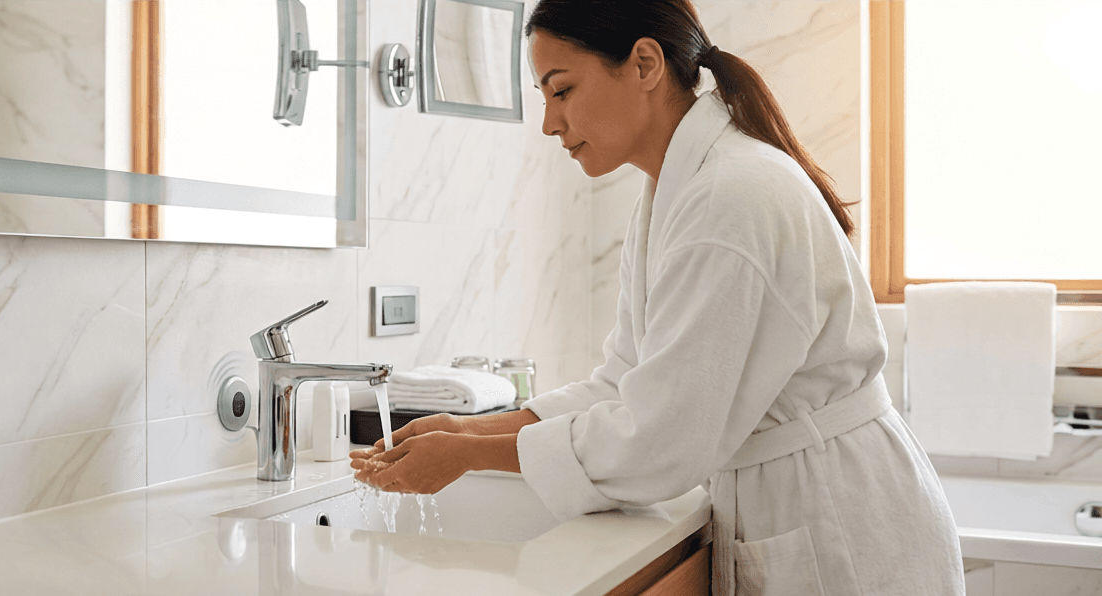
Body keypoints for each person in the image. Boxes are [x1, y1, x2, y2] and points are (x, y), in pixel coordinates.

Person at [350, 1, 965, 594]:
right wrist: (467, 429)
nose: (549, 123)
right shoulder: (676, 194)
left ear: (644, 64)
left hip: (840, 525)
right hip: (801, 502)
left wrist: (470, 455)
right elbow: (624, 383)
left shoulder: (729, 195)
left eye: (562, 90)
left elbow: (660, 439)